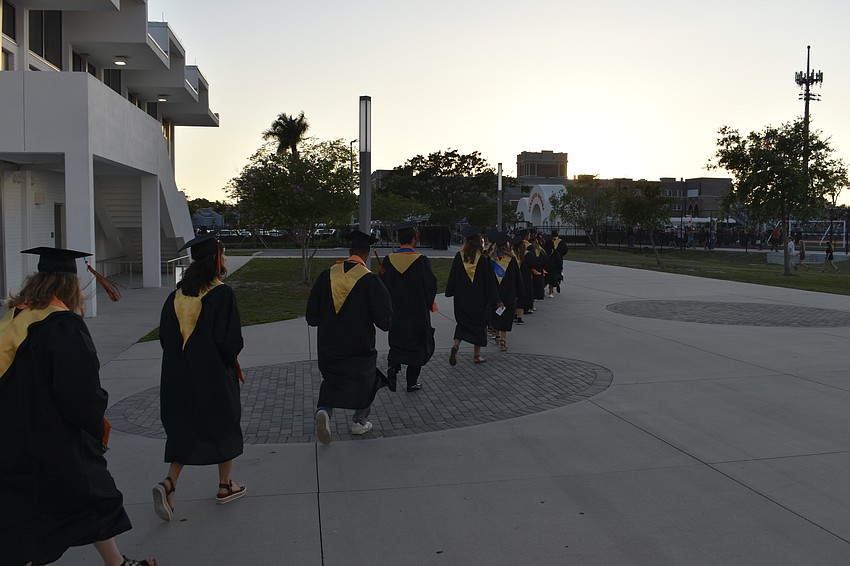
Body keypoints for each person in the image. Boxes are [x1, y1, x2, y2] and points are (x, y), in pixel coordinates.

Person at [0, 247, 156, 566]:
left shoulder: (14, 318)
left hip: (14, 436)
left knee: (76, 503)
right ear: (69, 285)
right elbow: (80, 392)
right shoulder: (62, 326)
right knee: (81, 497)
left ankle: (116, 562)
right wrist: (95, 426)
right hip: (50, 441)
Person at [153, 234, 246, 523]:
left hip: (177, 376)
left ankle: (169, 483)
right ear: (216, 259)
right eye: (223, 254)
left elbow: (164, 338)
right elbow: (230, 342)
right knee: (225, 423)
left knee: (184, 427)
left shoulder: (176, 296)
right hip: (213, 374)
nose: (225, 259)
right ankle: (224, 486)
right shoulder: (221, 294)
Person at [307, 230, 393, 445]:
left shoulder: (326, 275)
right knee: (366, 379)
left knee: (332, 378)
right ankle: (359, 421)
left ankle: (324, 411)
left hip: (328, 343)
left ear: (349, 251)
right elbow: (384, 318)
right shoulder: (370, 280)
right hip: (359, 344)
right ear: (366, 254)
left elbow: (311, 317)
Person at [380, 221, 437, 393]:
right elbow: (430, 285)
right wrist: (429, 302)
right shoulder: (420, 260)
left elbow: (381, 285)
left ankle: (392, 367)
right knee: (417, 348)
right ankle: (411, 383)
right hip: (417, 312)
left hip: (396, 312)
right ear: (413, 239)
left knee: (397, 343)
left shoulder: (389, 260)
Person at [445, 226, 502, 365]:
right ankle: (477, 356)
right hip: (479, 299)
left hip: (462, 298)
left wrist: (450, 291)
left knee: (462, 324)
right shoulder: (483, 258)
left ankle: (456, 345)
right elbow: (489, 281)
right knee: (479, 326)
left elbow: (453, 276)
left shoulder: (459, 256)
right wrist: (496, 299)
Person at [489, 232, 523, 352]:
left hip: (494, 292)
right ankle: (503, 339)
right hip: (509, 292)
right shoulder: (512, 260)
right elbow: (517, 278)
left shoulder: (490, 260)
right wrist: (520, 292)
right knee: (506, 316)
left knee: (496, 314)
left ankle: (497, 335)